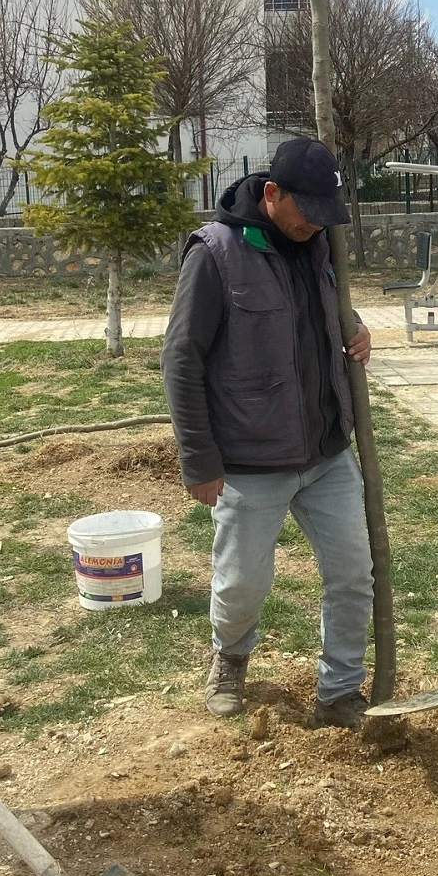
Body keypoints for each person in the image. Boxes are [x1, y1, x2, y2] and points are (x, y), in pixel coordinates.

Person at [162, 137, 375, 728]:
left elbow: (323, 309)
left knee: (353, 573)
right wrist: (199, 459)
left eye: (326, 214)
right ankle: (229, 658)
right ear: (273, 193)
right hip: (251, 459)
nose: (316, 224)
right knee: (242, 585)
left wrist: (354, 326)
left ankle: (339, 690)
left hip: (327, 452)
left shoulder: (318, 242)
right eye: (308, 211)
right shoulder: (217, 252)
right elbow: (181, 358)